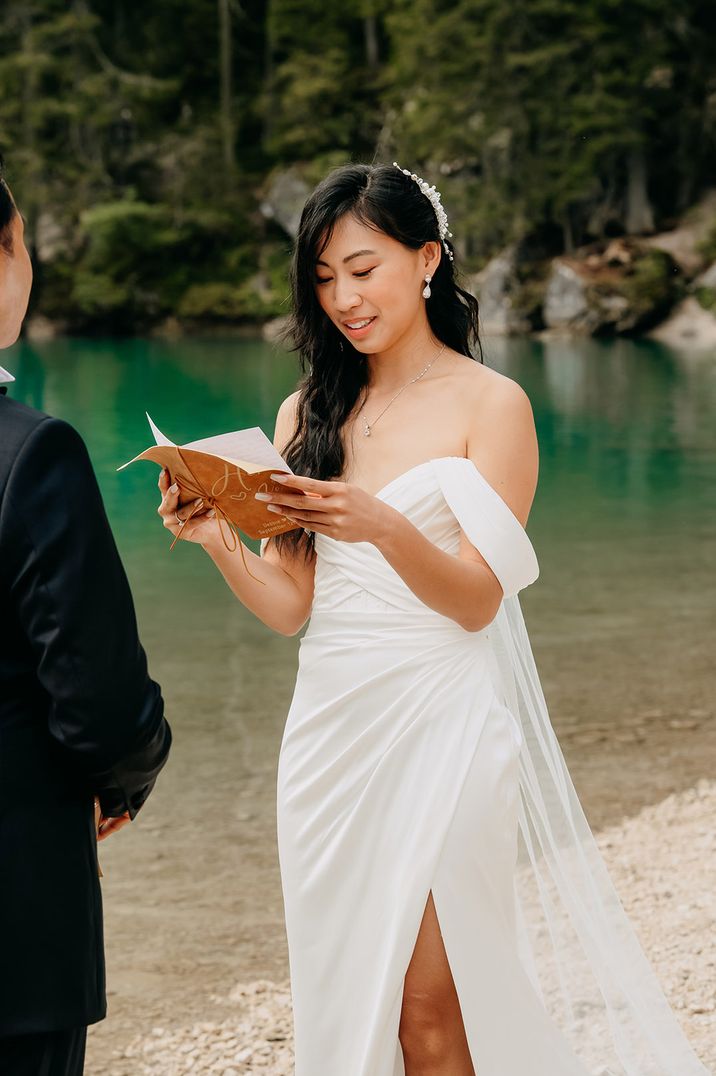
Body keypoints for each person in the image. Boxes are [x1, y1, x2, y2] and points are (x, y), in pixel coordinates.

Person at [156, 162, 709, 1075]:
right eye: (324, 278)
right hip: (331, 740)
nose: (343, 297)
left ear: (426, 259)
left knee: (430, 1006)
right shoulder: (311, 409)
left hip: (445, 726)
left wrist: (377, 524)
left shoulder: (494, 406)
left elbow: (476, 600)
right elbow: (295, 609)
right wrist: (220, 539)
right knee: (351, 998)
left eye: (363, 269)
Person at [0, 159, 172, 1074]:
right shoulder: (34, 455)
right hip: (13, 927)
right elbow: (98, 702)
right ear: (12, 251)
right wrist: (127, 777)